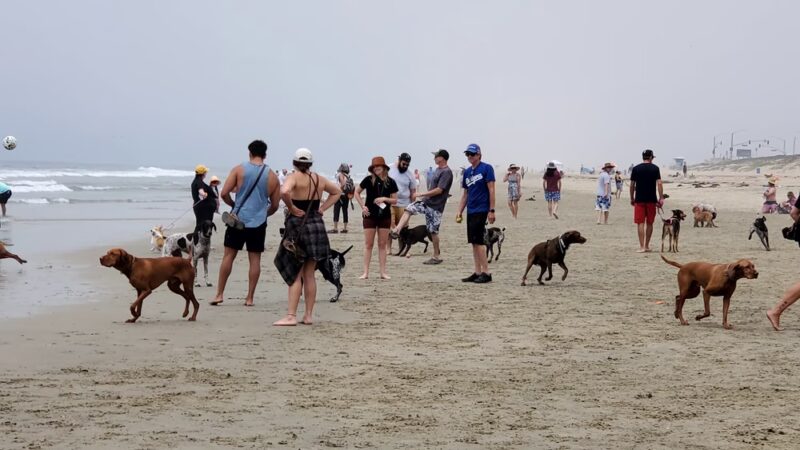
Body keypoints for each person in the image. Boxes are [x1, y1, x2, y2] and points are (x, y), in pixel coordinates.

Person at [273, 148, 342, 326]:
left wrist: (293, 208)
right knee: (309, 273)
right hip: (316, 226)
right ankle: (309, 315)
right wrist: (323, 208)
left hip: (298, 226)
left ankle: (291, 316)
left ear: (294, 163)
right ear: (310, 164)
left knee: (296, 273)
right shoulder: (319, 179)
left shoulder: (294, 177)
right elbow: (337, 192)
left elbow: (284, 192)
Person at [210, 140, 280, 307]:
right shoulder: (272, 176)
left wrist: (234, 206)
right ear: (265, 155)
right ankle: (249, 298)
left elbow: (224, 193)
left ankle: (219, 294)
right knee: (254, 259)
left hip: (238, 220)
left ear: (249, 152)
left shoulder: (239, 169)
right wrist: (263, 213)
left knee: (229, 256)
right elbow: (275, 205)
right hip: (259, 222)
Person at [389, 149, 454, 265]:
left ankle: (436, 256)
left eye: (436, 156)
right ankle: (397, 230)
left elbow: (439, 190)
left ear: (442, 158)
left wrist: (421, 194)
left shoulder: (447, 172)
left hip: (436, 206)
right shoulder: (437, 170)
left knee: (432, 231)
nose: (434, 158)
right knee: (409, 208)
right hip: (427, 202)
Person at [456, 143, 495, 283]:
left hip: (482, 209)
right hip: (471, 210)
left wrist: (491, 210)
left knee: (479, 242)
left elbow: (491, 189)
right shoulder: (467, 172)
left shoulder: (486, 168)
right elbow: (465, 194)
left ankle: (486, 272)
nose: (470, 157)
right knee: (473, 242)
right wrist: (459, 211)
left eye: (472, 154)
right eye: (468, 154)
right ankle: (477, 271)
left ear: (479, 154)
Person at [354, 156, 398, 279]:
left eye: (379, 166)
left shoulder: (391, 182)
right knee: (368, 244)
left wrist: (384, 199)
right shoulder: (368, 180)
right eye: (374, 166)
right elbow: (356, 192)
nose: (376, 168)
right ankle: (365, 272)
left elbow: (395, 200)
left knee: (382, 244)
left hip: (385, 215)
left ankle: (383, 272)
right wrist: (363, 206)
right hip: (369, 215)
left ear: (384, 167)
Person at [630, 149, 664, 252]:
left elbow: (632, 185)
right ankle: (647, 245)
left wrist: (632, 198)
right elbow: (659, 184)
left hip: (639, 199)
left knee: (640, 223)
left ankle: (642, 247)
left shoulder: (636, 168)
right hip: (651, 200)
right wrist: (661, 198)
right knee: (649, 223)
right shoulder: (655, 168)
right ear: (650, 157)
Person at [388, 152, 417, 253]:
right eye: (403, 164)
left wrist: (413, 206)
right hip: (390, 202)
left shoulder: (410, 174)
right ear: (399, 160)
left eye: (407, 165)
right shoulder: (389, 168)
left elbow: (413, 192)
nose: (405, 166)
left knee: (403, 229)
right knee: (390, 226)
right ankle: (389, 249)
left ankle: (401, 248)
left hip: (404, 203)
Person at [191, 165, 217, 235]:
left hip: (201, 207)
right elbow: (200, 190)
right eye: (205, 172)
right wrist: (203, 194)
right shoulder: (199, 182)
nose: (206, 174)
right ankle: (197, 242)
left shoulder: (196, 181)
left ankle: (199, 243)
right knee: (202, 225)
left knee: (201, 225)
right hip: (203, 209)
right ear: (203, 173)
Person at [330, 163, 352, 233]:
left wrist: (338, 190)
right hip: (346, 195)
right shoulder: (348, 176)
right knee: (345, 211)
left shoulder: (340, 175)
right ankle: (345, 228)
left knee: (336, 211)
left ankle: (335, 228)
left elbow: (342, 184)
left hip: (340, 195)